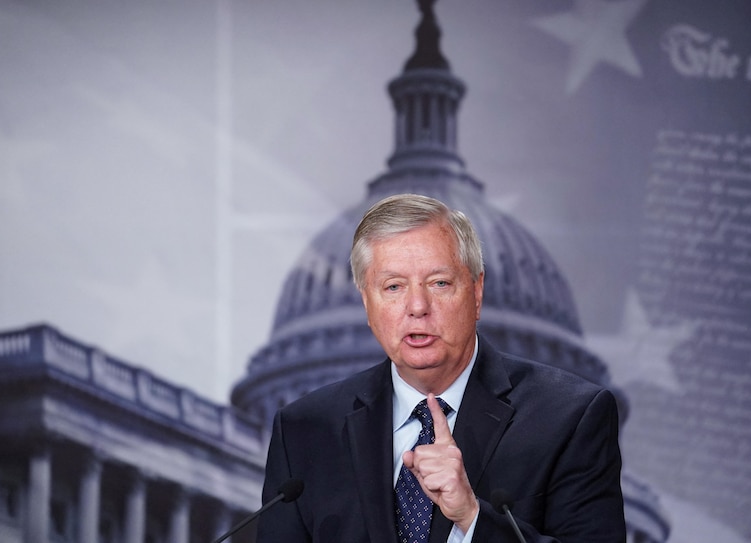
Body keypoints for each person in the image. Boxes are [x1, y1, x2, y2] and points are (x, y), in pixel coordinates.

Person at [256, 193, 626, 542]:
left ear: (477, 293)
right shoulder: (304, 432)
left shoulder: (570, 420)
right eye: (393, 286)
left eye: (440, 283)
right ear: (366, 303)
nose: (417, 306)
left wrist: (471, 517)